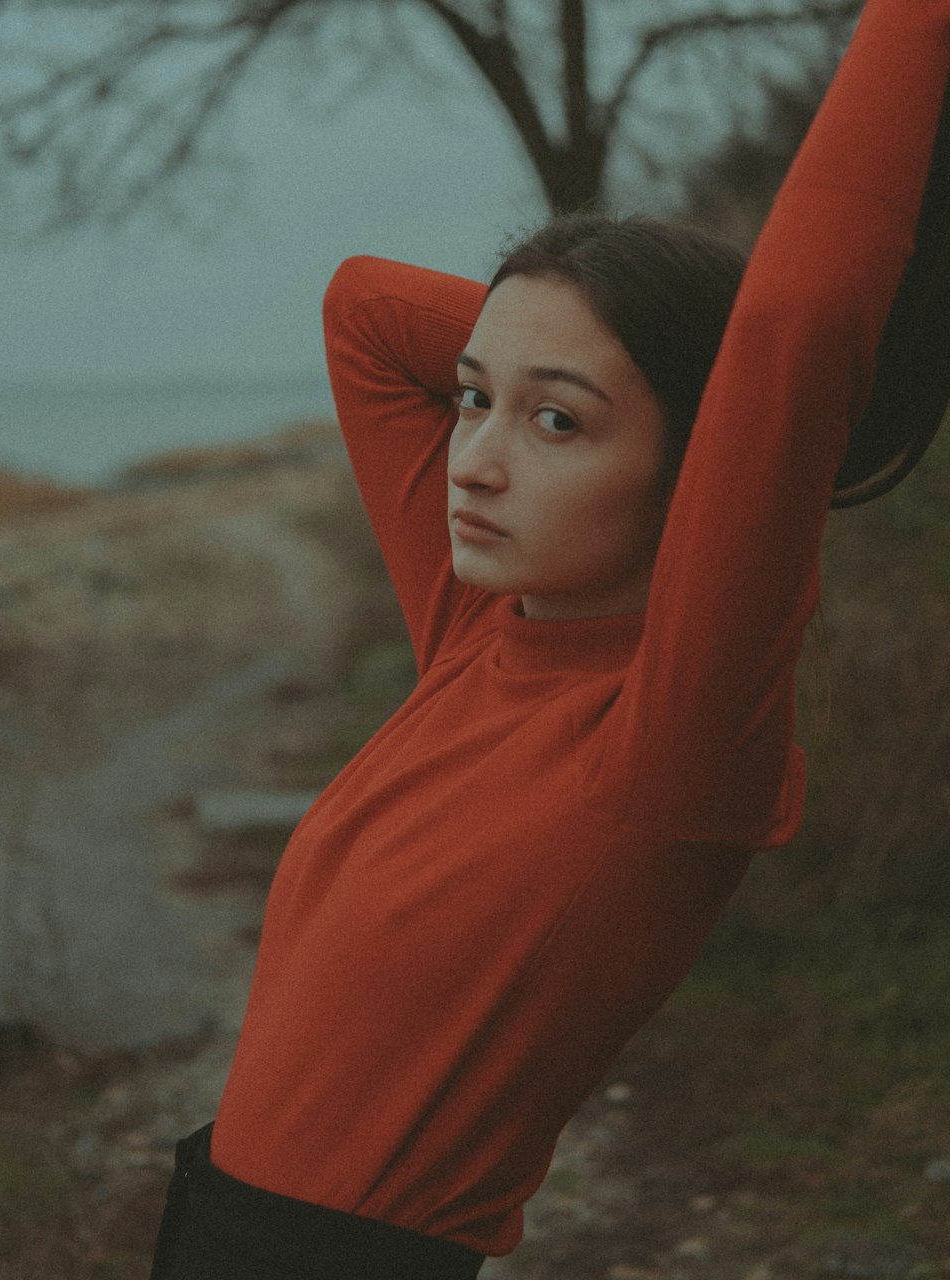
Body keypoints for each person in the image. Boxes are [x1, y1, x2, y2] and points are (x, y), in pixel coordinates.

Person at [150, 1, 950, 1275]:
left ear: (708, 470)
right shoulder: (481, 635)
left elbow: (794, 332)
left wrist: (733, 403)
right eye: (473, 401)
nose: (472, 463)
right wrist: (566, 352)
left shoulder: (671, 748)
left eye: (557, 426)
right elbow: (362, 309)